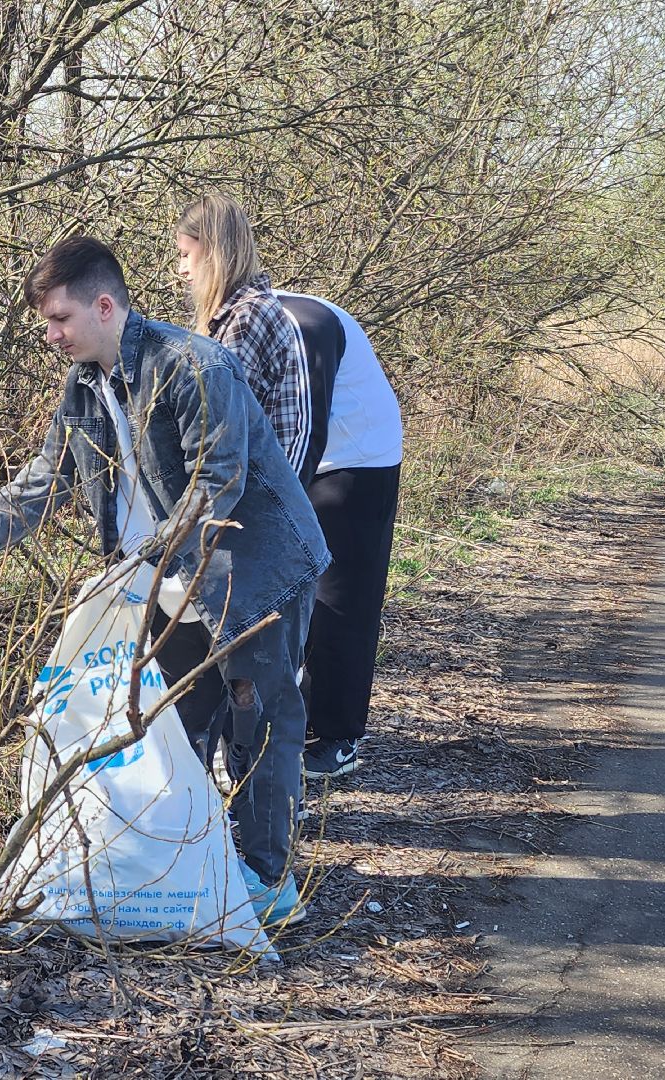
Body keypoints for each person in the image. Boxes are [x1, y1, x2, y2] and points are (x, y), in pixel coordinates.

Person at [0, 236, 330, 924]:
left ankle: (265, 880)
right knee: (169, 722)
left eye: (60, 319)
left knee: (257, 717)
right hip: (162, 579)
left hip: (250, 572)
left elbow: (215, 483)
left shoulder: (193, 366)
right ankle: (178, 865)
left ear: (105, 306)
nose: (51, 335)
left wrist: (144, 561)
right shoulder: (84, 387)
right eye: (46, 322)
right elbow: (46, 479)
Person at [175, 194, 403, 779]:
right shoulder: (231, 323)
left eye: (186, 256)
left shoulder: (294, 327)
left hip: (358, 460)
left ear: (214, 254)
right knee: (286, 592)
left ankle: (338, 737)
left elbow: (305, 429)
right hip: (307, 457)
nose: (180, 271)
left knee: (337, 597)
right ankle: (273, 725)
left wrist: (274, 516)